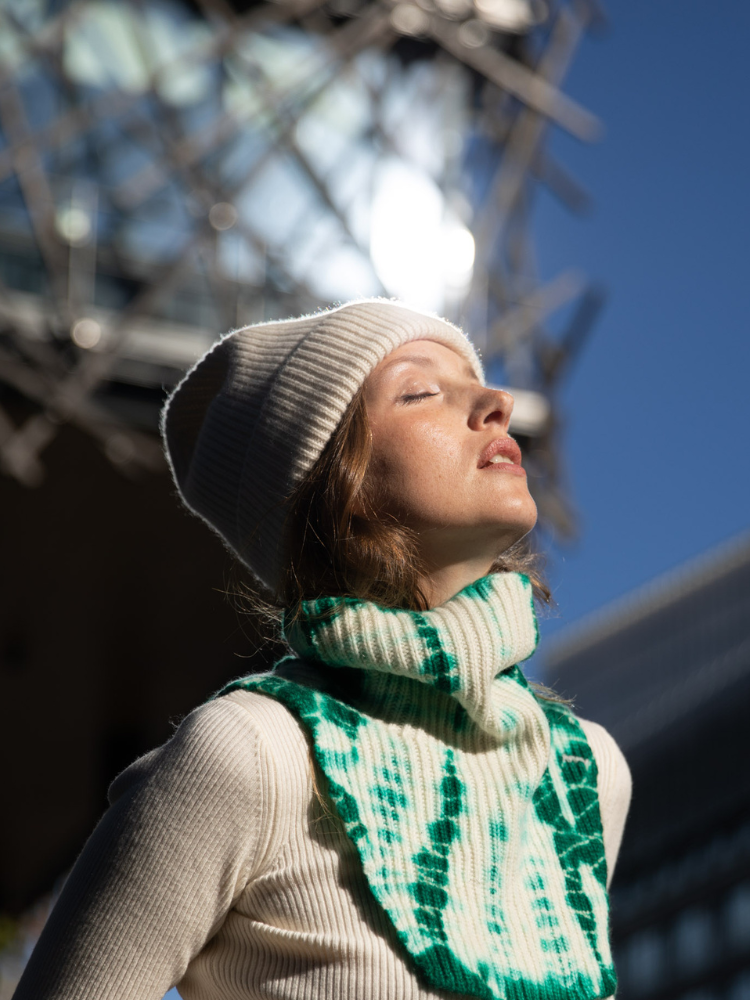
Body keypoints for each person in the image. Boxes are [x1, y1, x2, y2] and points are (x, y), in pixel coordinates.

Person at [13, 299, 631, 1000]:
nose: (495, 402)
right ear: (337, 489)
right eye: (421, 390)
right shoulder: (251, 753)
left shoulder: (585, 773)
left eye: (479, 381)